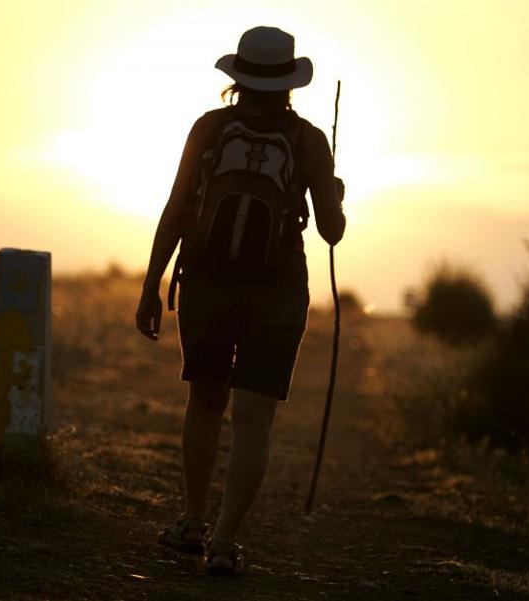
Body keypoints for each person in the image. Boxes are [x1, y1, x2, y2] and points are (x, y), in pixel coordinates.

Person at [135, 25, 346, 577]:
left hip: (207, 279)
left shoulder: (208, 129)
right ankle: (226, 541)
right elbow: (331, 232)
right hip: (277, 291)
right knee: (255, 419)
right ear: (289, 82)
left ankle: (192, 522)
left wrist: (151, 285)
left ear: (239, 77)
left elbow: (178, 208)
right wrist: (335, 191)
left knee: (205, 403)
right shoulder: (308, 141)